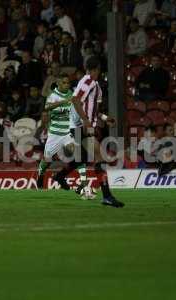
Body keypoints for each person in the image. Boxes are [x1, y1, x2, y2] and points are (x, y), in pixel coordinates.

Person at [53, 56, 124, 208]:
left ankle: (59, 176)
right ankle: (107, 196)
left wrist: (104, 118)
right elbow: (76, 100)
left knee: (82, 159)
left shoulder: (94, 85)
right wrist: (85, 121)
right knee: (99, 155)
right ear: (96, 69)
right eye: (98, 70)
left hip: (82, 124)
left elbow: (93, 109)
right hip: (79, 125)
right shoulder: (88, 82)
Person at [36, 73, 87, 191]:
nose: (67, 85)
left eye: (68, 82)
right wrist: (64, 102)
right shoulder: (53, 95)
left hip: (67, 133)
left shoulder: (71, 94)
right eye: (64, 82)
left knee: (79, 155)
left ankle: (84, 183)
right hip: (54, 134)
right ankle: (40, 175)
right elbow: (47, 107)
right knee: (46, 160)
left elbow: (78, 107)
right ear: (58, 83)